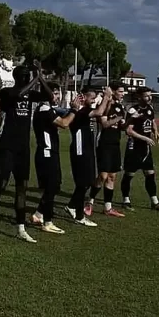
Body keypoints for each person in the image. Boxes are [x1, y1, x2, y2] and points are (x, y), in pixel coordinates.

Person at [0, 64, 53, 243]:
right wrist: (35, 80)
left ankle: (21, 227)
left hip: (23, 148)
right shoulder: (7, 93)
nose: (27, 79)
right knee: (2, 184)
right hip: (6, 145)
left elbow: (50, 97)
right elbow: (18, 95)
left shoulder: (31, 94)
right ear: (18, 77)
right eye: (25, 76)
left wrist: (41, 78)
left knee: (22, 188)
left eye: (28, 76)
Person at [29, 83, 79, 234]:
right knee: (52, 186)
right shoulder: (44, 109)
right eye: (55, 93)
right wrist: (74, 110)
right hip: (46, 153)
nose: (58, 96)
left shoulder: (48, 109)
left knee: (54, 186)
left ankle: (38, 215)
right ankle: (47, 222)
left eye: (59, 93)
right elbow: (64, 123)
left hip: (50, 153)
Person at [64, 86, 112, 226]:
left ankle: (75, 210)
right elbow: (99, 112)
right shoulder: (81, 111)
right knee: (83, 183)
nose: (93, 101)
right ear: (83, 97)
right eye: (91, 98)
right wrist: (106, 96)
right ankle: (75, 211)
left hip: (88, 150)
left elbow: (103, 112)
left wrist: (107, 100)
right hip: (80, 151)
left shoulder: (87, 110)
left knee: (86, 183)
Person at [121, 86, 159, 211]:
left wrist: (156, 132)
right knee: (129, 174)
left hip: (146, 148)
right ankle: (126, 200)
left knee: (150, 174)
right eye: (146, 96)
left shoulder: (149, 108)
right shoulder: (133, 110)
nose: (149, 98)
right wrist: (145, 138)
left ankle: (155, 202)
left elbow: (152, 121)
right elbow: (129, 131)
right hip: (134, 147)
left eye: (150, 95)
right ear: (139, 97)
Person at [85, 82, 127, 217]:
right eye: (120, 91)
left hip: (115, 144)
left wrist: (127, 122)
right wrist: (119, 118)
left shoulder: (121, 107)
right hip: (104, 144)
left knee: (112, 176)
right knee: (103, 175)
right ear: (113, 91)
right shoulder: (104, 106)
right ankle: (90, 202)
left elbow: (122, 127)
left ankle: (108, 207)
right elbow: (104, 123)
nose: (123, 94)